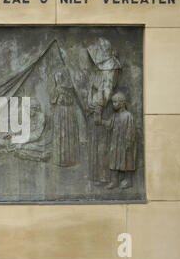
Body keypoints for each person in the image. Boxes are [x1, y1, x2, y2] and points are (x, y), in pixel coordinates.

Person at [86, 37, 121, 186]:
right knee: (96, 143)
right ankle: (97, 176)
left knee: (103, 144)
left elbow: (106, 91)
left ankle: (105, 176)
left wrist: (98, 107)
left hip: (103, 110)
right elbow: (93, 87)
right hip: (95, 106)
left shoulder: (110, 67)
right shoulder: (100, 67)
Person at [101, 92, 136, 189]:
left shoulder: (128, 116)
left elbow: (131, 130)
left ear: (122, 103)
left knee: (127, 161)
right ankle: (114, 181)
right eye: (113, 102)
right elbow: (109, 125)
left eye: (116, 102)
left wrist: (128, 142)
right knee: (114, 160)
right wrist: (101, 121)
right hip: (115, 143)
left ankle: (128, 180)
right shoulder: (114, 115)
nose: (114, 104)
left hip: (125, 143)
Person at [50, 68, 79, 167]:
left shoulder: (58, 89)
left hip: (61, 112)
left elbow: (52, 100)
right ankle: (70, 159)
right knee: (68, 134)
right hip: (70, 112)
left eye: (57, 78)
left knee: (62, 134)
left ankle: (61, 159)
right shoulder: (71, 88)